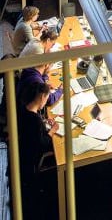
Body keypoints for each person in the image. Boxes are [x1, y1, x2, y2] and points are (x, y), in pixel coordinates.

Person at [17, 82, 58, 219]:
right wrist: (52, 131)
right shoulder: (34, 121)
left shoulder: (24, 110)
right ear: (41, 97)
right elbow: (43, 144)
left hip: (23, 155)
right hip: (35, 161)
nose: (46, 101)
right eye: (46, 98)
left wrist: (45, 123)